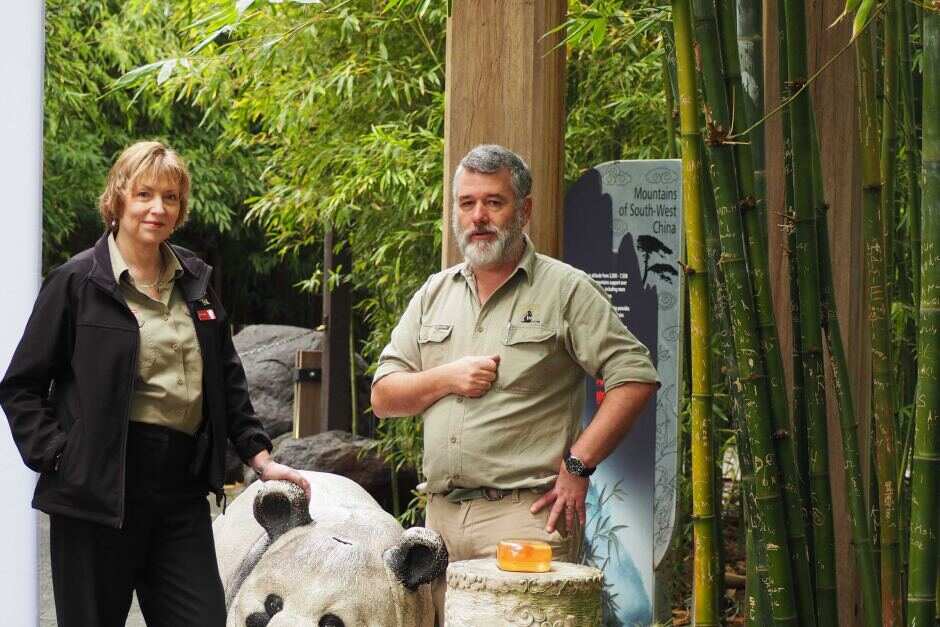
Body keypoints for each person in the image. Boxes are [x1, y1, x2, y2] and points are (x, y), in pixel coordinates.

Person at [0, 141, 310, 627]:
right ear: (118, 198)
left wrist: (259, 456)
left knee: (202, 618)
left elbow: (225, 375)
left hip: (179, 491)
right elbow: (21, 386)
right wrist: (61, 455)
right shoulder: (77, 282)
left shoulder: (195, 281)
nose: (157, 208)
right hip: (96, 494)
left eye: (170, 197)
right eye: (144, 194)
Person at [370, 144, 659, 617]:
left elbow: (634, 378)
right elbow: (384, 396)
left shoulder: (565, 289)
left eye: (493, 202)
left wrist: (577, 466)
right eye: (467, 203)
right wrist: (447, 377)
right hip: (439, 522)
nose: (478, 216)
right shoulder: (433, 294)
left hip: (523, 519)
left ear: (523, 210)